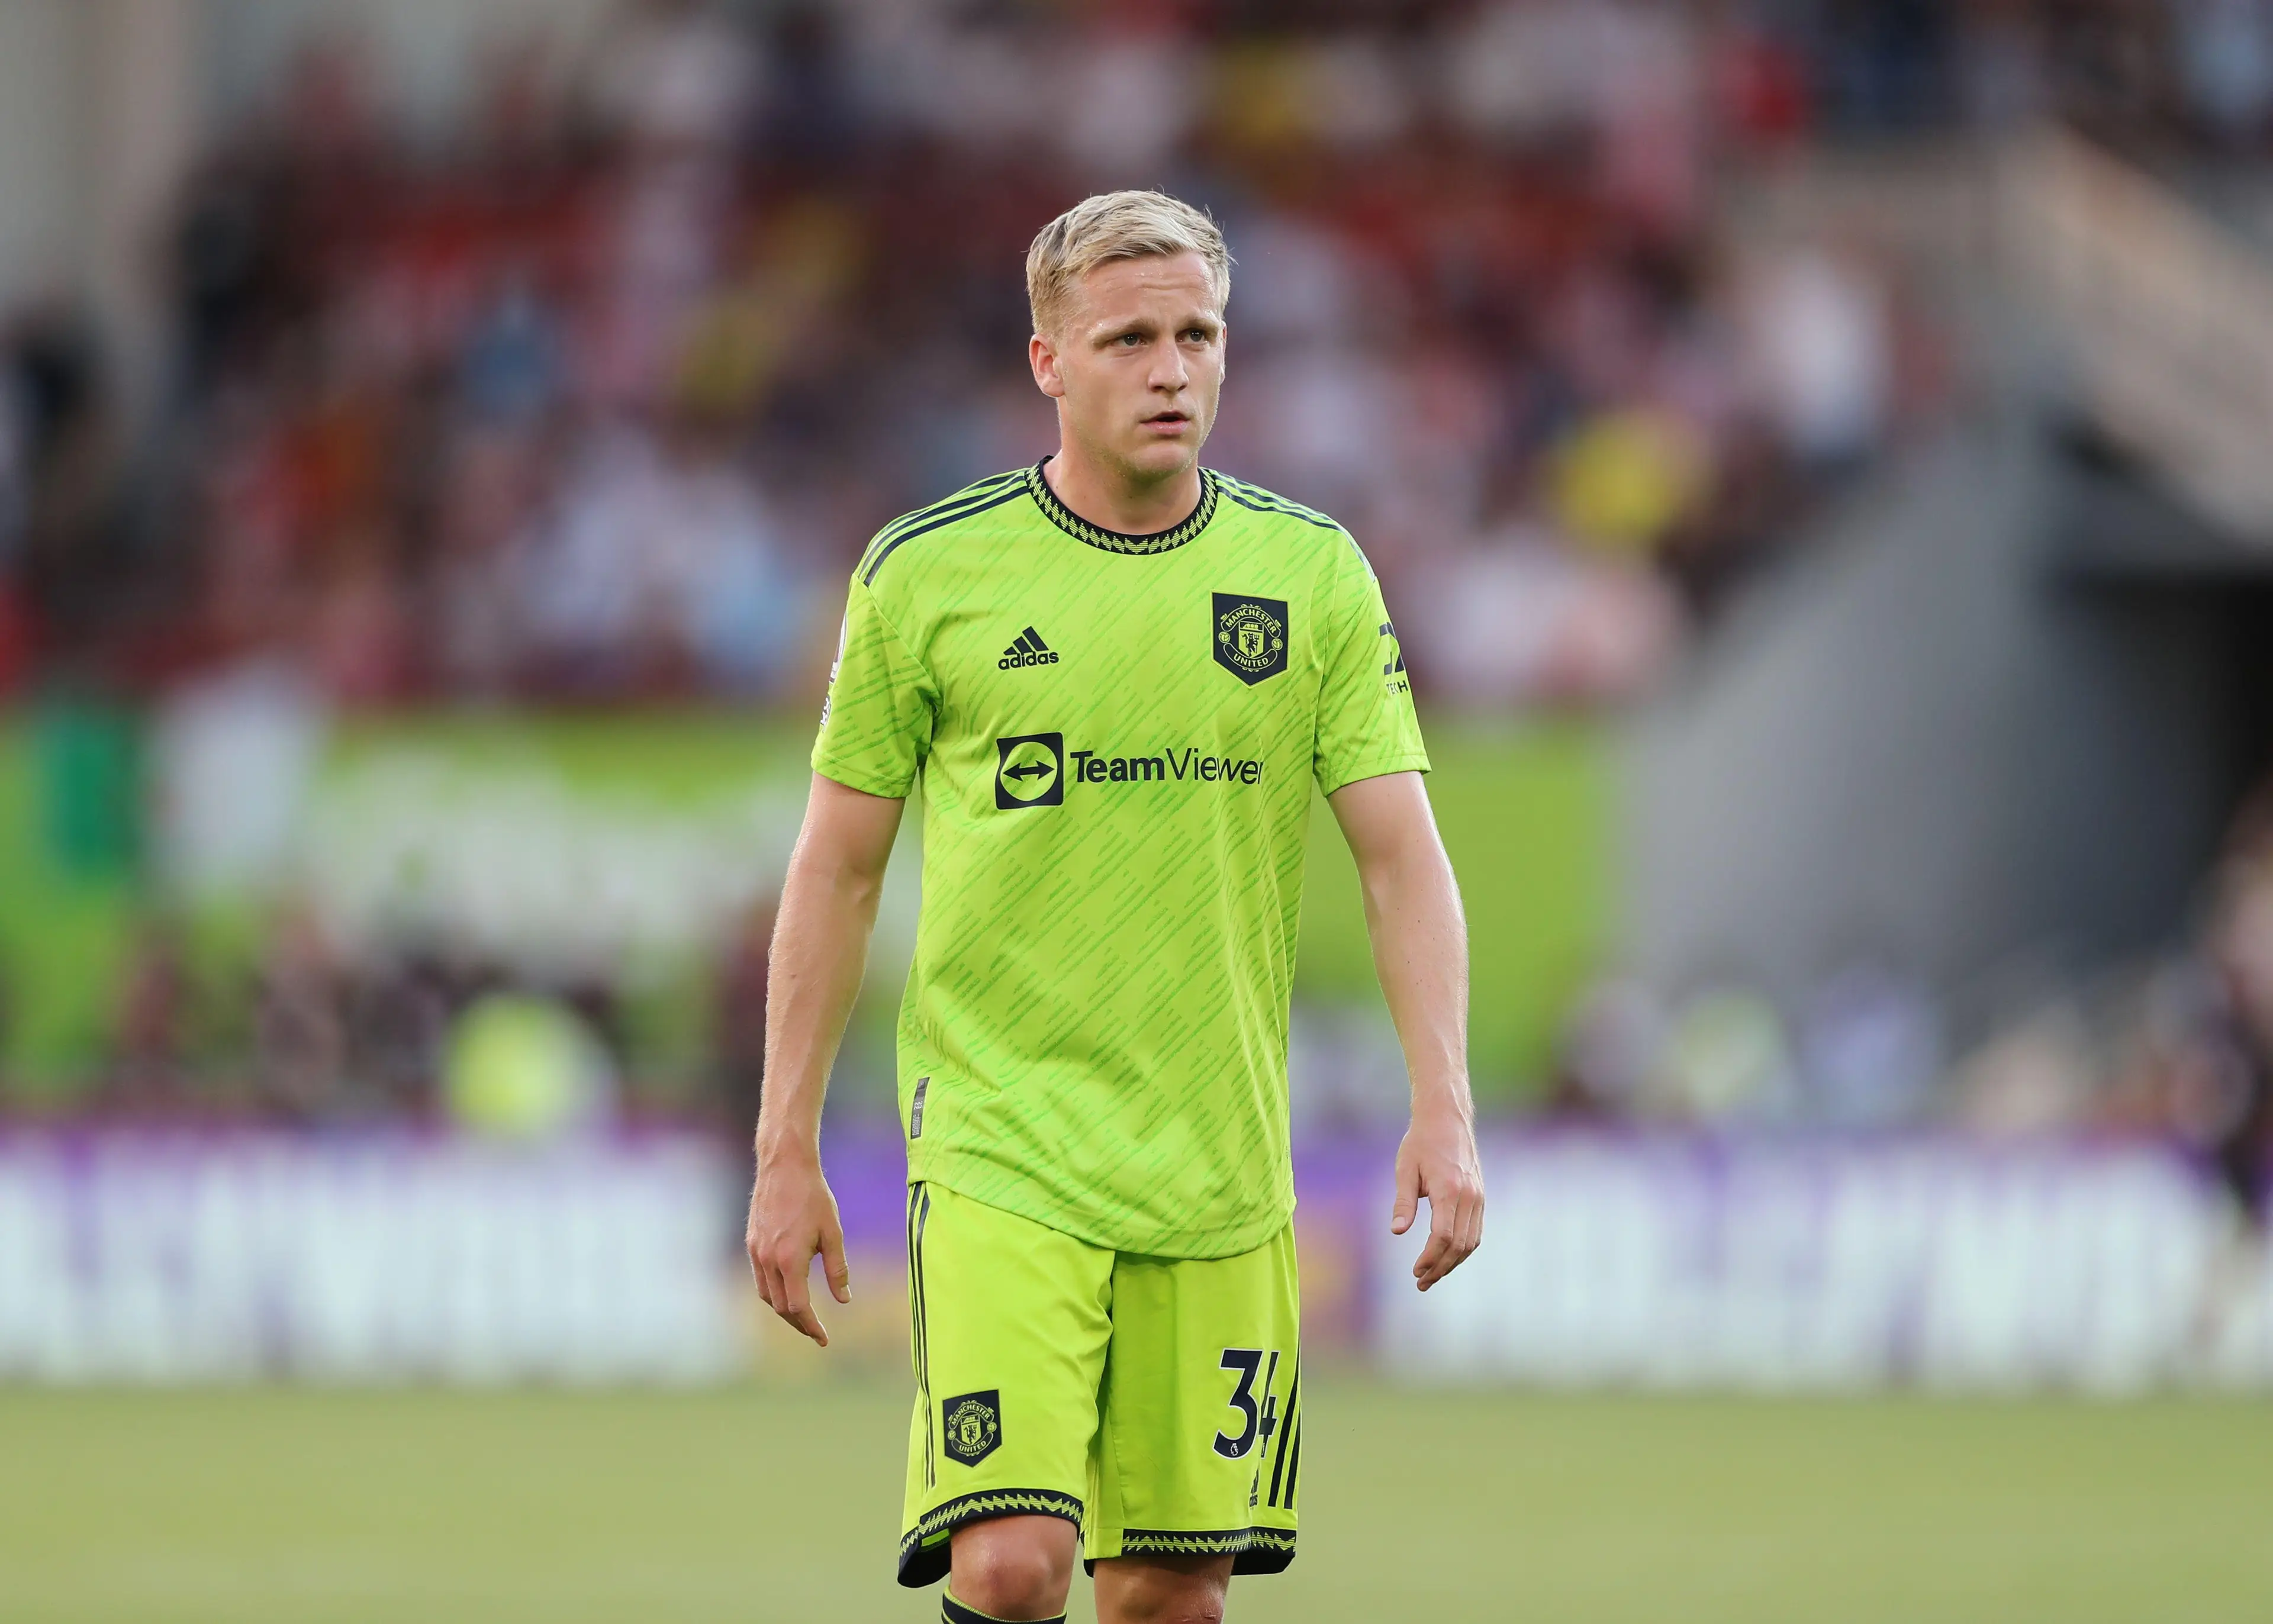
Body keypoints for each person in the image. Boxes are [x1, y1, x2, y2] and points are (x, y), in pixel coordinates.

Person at [745, 191, 1482, 1624]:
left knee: (1162, 1594)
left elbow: (1403, 859)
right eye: (1130, 337)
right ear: (1048, 362)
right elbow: (836, 869)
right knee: (1012, 1564)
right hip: (1002, 1142)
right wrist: (784, 1145)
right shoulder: (928, 576)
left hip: (1215, 1163)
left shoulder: (1309, 575)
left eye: (1198, 334)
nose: (1171, 369)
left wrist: (1442, 1103)